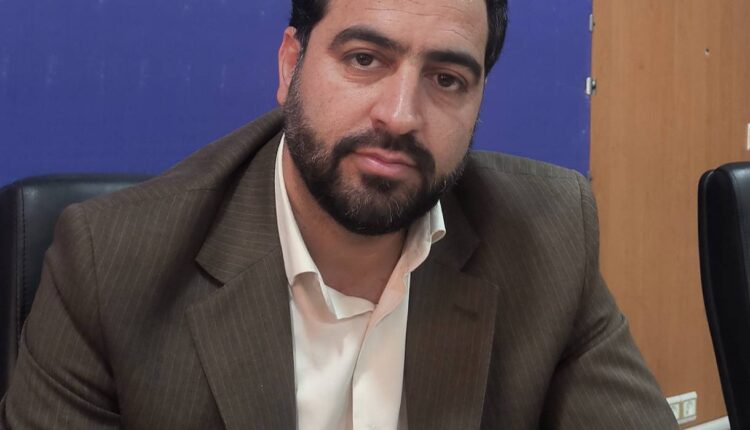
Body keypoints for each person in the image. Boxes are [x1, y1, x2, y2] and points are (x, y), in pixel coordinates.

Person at [1, 0, 678, 428]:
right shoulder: (109, 265)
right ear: (290, 64)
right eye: (364, 59)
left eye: (446, 79)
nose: (401, 115)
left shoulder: (548, 234)